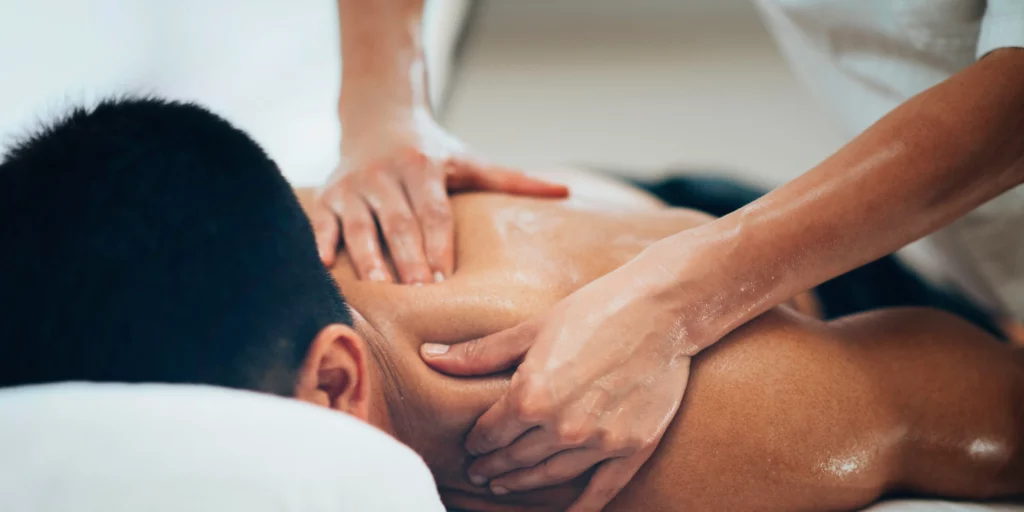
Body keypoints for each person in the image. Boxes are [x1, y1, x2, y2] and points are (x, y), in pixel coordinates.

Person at [1, 99, 1022, 511]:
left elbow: (980, 408)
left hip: (795, 277)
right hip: (564, 200)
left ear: (336, 383)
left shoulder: (701, 438)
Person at [319, 2, 1024, 508]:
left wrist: (680, 300)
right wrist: (385, 104)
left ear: (333, 382)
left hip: (778, 314)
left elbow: (997, 412)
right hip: (653, 212)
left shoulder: (724, 425)